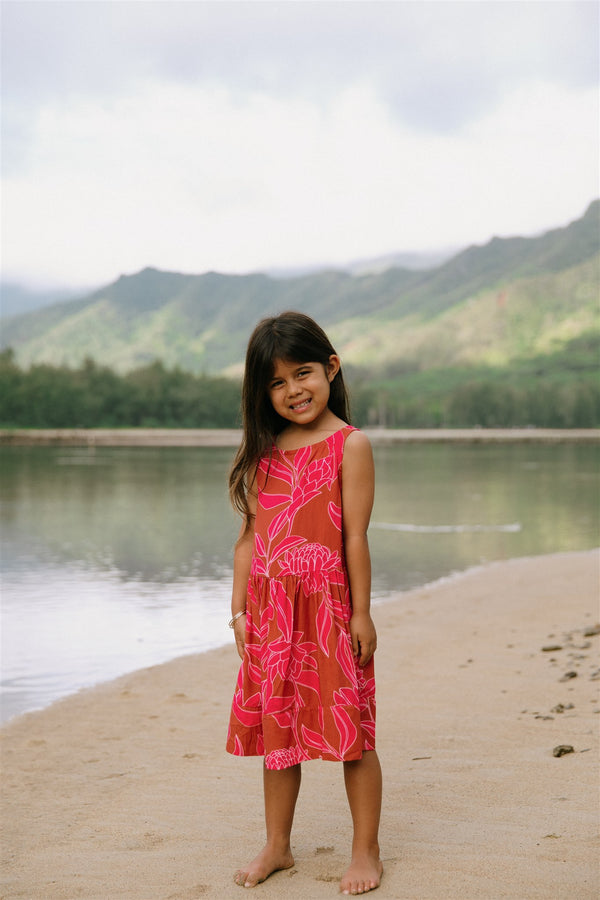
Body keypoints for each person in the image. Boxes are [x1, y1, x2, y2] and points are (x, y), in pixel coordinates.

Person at [226, 311, 383, 895]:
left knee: (353, 735)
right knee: (278, 730)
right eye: (275, 382)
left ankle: (364, 850)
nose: (293, 390)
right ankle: (278, 845)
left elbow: (355, 537)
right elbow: (249, 537)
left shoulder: (351, 445)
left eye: (303, 373)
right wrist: (239, 609)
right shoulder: (263, 449)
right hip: (271, 614)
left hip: (329, 610)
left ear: (331, 369)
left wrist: (362, 613)